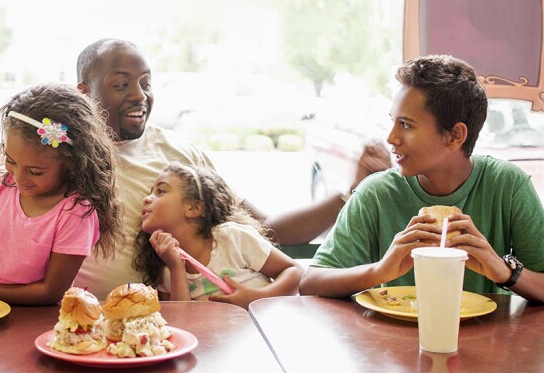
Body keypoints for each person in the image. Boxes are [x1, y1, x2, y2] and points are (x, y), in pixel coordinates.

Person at [73, 38, 389, 299]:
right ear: (84, 92)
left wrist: (352, 192)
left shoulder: (178, 154)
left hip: (170, 323)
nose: (139, 95)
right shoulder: (59, 159)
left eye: (146, 83)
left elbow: (263, 229)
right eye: (121, 85)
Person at [299, 55, 544, 314]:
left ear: (455, 135)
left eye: (406, 125)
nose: (391, 137)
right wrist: (381, 271)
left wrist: (503, 271)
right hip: (391, 351)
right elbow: (311, 282)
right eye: (392, 122)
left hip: (488, 351)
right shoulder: (377, 193)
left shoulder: (507, 186)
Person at [0, 83, 122, 305]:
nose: (19, 178)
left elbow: (51, 292)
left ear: (71, 163)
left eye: (35, 172)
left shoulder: (75, 213)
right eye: (11, 161)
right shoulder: (1, 183)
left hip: (34, 317)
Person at [136, 162, 303, 308]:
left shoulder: (231, 237)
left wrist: (257, 298)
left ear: (193, 208)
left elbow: (294, 271)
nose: (146, 198)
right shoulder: (165, 268)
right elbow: (182, 321)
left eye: (161, 191)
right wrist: (176, 268)